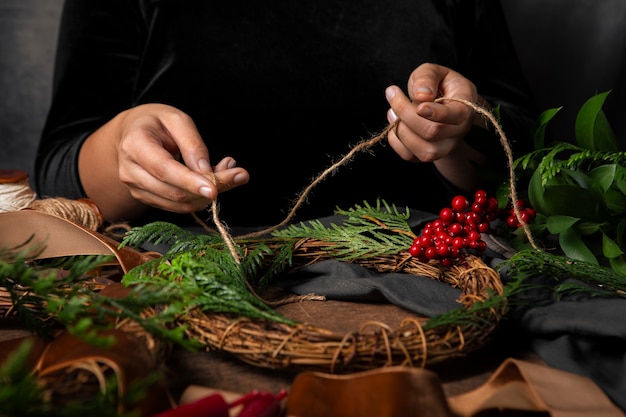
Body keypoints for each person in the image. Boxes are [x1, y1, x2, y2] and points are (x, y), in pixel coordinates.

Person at [35, 0, 538, 230]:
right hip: (187, 296)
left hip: (438, 280)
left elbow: (534, 150)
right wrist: (125, 146)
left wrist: (465, 125)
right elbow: (59, 169)